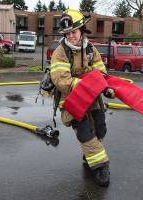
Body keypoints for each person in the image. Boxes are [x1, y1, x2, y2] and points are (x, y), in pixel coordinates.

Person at [50, 9, 115, 187]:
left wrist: (106, 88)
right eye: (67, 33)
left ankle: (90, 157)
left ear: (81, 30)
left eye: (74, 32)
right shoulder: (60, 52)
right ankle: (100, 166)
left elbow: (101, 71)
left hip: (92, 97)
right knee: (85, 132)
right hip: (71, 101)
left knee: (100, 128)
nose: (70, 36)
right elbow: (61, 80)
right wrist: (84, 84)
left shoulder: (90, 49)